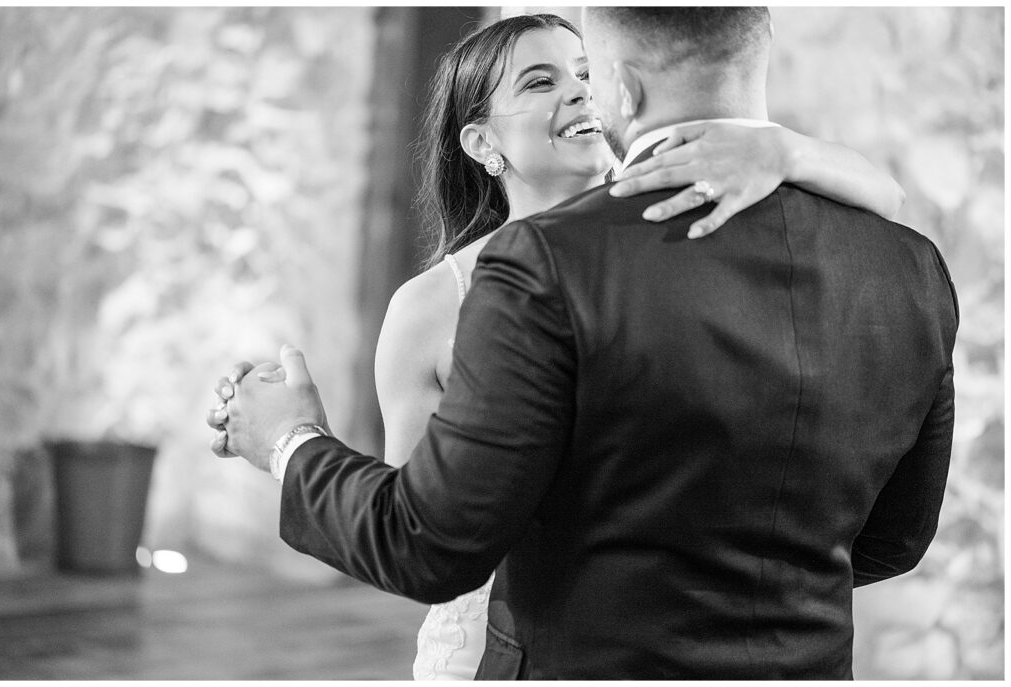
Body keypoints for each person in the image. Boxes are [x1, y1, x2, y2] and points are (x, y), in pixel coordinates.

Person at [209, 7, 957, 679]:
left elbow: (426, 540)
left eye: (584, 73)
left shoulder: (553, 265)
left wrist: (289, 441)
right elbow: (894, 538)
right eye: (540, 81)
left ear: (617, 91)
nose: (576, 94)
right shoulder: (911, 265)